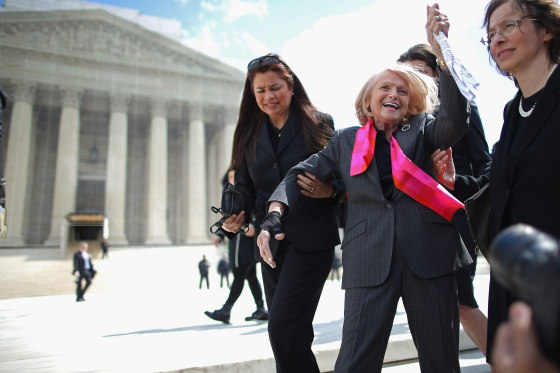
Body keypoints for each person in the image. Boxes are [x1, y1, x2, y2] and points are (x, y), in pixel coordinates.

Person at [257, 6, 473, 371]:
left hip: (430, 256)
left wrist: (443, 52)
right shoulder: (345, 141)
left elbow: (456, 120)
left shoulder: (424, 130)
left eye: (402, 91)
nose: (393, 94)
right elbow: (298, 174)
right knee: (355, 362)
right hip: (368, 261)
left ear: (412, 102)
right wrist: (273, 216)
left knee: (441, 362)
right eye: (384, 88)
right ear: (368, 101)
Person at [434, 0, 560, 364]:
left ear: (547, 29)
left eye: (510, 26)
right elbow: (505, 190)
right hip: (517, 282)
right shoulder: (513, 110)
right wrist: (456, 183)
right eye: (490, 34)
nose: (497, 39)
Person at [220, 53, 341, 373]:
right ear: (252, 93)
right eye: (260, 90)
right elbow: (244, 187)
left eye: (275, 87)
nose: (268, 96)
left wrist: (332, 192)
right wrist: (235, 216)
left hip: (311, 239)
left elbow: (342, 176)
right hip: (268, 241)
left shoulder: (319, 123)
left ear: (290, 85)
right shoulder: (247, 132)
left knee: (284, 327)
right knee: (287, 333)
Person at [399, 43, 493, 356]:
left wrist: (456, 186)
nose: (412, 81)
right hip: (420, 227)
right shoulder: (401, 123)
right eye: (406, 75)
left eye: (420, 73)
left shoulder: (459, 111)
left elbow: (486, 167)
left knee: (462, 303)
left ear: (437, 75)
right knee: (442, 307)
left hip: (456, 219)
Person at [205, 169, 268, 324]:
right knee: (251, 277)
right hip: (236, 244)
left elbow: (253, 218)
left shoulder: (247, 193)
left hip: (245, 246)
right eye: (230, 177)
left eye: (235, 176)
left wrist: (248, 228)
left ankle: (226, 310)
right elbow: (227, 221)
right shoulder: (229, 196)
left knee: (239, 276)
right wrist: (220, 236)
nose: (232, 179)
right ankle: (260, 308)